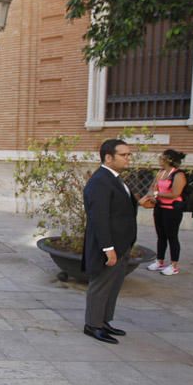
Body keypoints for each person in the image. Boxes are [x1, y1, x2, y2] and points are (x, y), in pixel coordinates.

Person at [82, 139, 139, 344]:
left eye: (128, 154)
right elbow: (99, 217)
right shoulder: (100, 181)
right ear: (108, 157)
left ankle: (104, 320)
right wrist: (108, 248)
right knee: (101, 285)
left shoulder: (115, 178)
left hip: (122, 243)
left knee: (113, 286)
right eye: (124, 155)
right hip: (107, 245)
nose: (128, 159)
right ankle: (93, 325)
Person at [146, 148, 187, 276]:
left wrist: (156, 194)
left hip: (172, 210)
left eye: (161, 157)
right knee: (161, 236)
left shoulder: (179, 174)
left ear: (168, 159)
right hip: (159, 208)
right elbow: (152, 187)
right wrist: (150, 195)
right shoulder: (161, 172)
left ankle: (174, 265)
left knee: (172, 236)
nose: (159, 159)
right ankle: (160, 261)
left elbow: (175, 193)